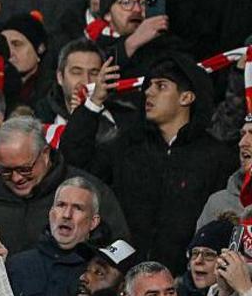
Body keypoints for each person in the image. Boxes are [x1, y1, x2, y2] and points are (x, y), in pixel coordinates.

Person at [64, 53, 237, 275]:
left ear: (186, 97)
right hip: (123, 277)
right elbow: (76, 164)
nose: (148, 92)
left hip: (184, 280)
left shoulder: (217, 157)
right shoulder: (126, 146)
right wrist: (93, 104)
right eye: (148, 86)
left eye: (161, 86)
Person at [0, 116, 129, 254]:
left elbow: (122, 249)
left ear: (45, 154)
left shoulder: (88, 192)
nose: (16, 178)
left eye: (24, 169)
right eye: (6, 170)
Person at [6, 177, 103, 296]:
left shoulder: (101, 272)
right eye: (61, 205)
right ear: (51, 213)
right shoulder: (17, 265)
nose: (67, 215)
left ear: (93, 222)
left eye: (78, 208)